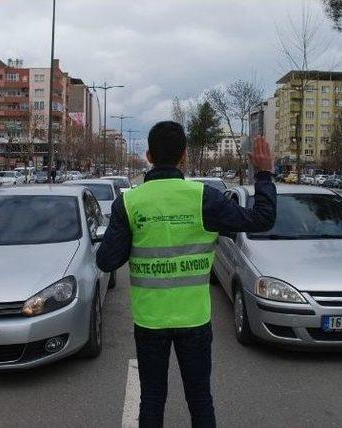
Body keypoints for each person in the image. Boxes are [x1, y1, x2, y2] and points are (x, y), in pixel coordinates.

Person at [96, 121, 277, 428]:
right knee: (200, 399)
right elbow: (262, 218)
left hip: (150, 320)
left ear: (149, 156)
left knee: (152, 399)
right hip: (194, 320)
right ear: (183, 157)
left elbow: (106, 260)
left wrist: (135, 232)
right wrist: (263, 174)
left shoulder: (130, 202)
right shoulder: (203, 198)